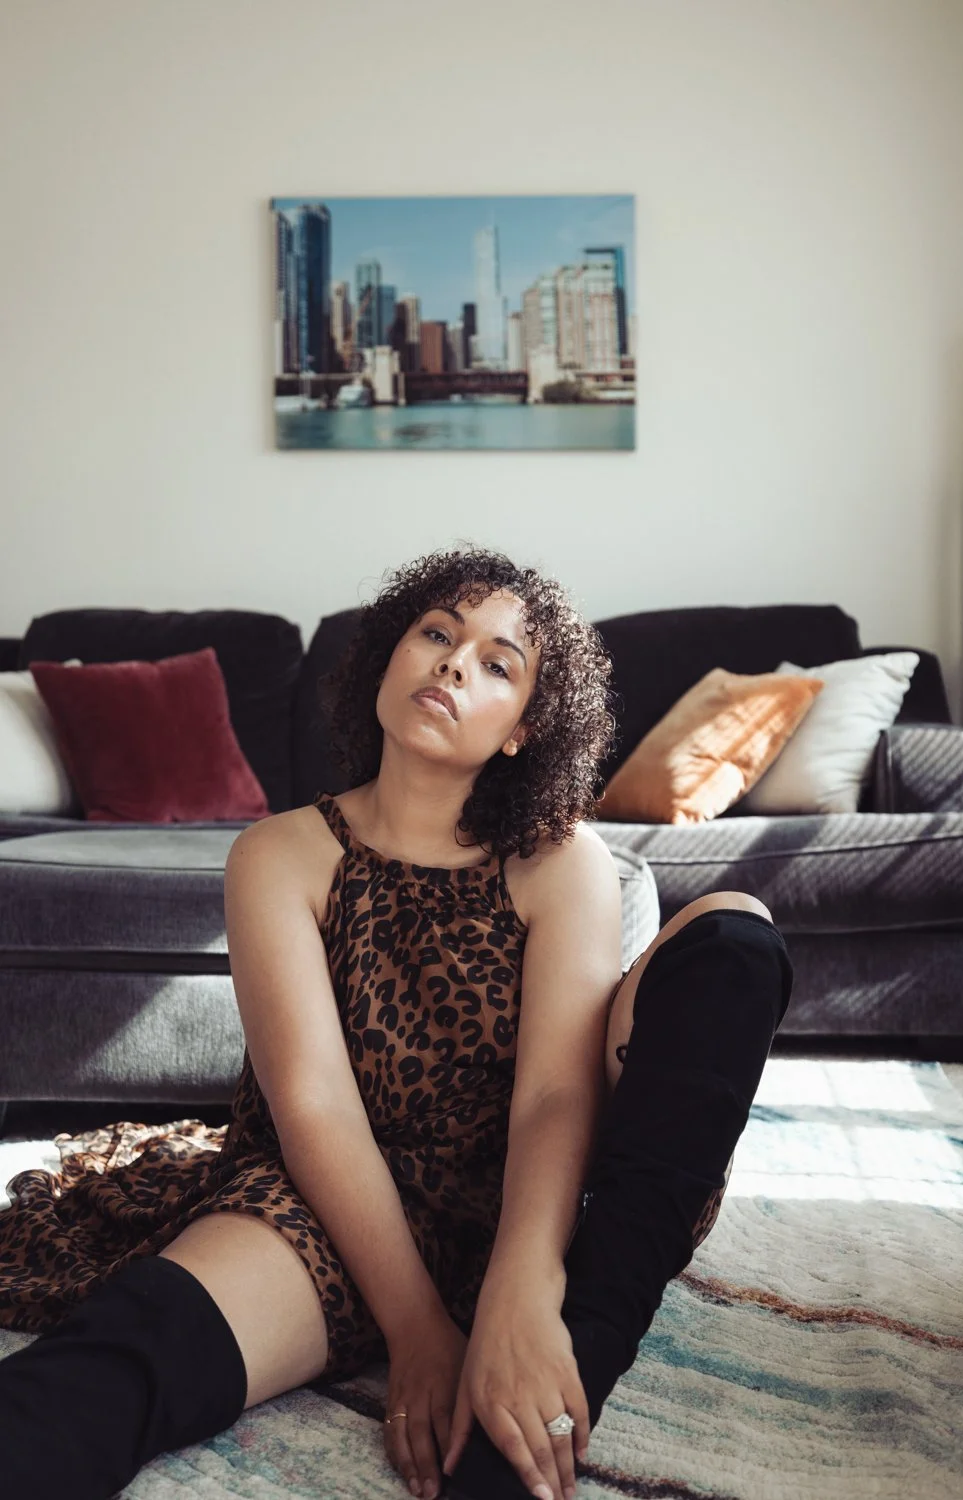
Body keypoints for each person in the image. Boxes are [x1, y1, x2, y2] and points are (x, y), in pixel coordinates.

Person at [0, 544, 792, 1500]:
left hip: (534, 1193)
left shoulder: (559, 858)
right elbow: (316, 1108)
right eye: (437, 633)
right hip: (334, 1203)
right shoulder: (278, 855)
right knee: (120, 1360)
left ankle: (544, 1401)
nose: (457, 662)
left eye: (499, 663)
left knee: (736, 936)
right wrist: (420, 1333)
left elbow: (553, 1095)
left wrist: (520, 1288)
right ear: (389, 657)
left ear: (521, 730)